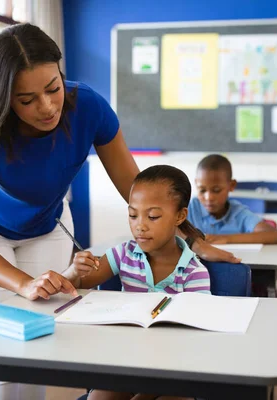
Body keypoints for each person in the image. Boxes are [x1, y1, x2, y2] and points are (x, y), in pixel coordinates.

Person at [0, 23, 237, 399]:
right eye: (27, 99)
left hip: (48, 227)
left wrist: (193, 241)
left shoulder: (87, 106)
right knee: (4, 347)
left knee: (40, 338)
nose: (48, 106)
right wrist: (23, 282)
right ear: (4, 99)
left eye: (53, 88)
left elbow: (136, 188)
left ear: (60, 72)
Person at [63, 165, 210, 400]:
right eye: (133, 215)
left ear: (180, 216)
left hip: (176, 370)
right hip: (126, 362)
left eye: (152, 216)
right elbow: (80, 283)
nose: (139, 225)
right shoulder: (123, 254)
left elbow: (196, 335)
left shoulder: (194, 273)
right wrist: (74, 271)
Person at [188, 154, 277, 245]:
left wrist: (225, 239)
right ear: (196, 183)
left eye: (216, 190)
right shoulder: (188, 209)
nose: (209, 197)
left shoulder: (238, 213)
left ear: (232, 185)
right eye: (202, 190)